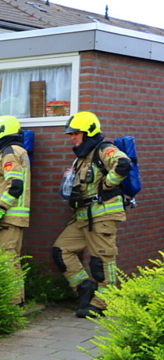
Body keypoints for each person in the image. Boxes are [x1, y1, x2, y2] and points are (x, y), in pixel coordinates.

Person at [52, 111, 132, 318]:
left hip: (102, 215)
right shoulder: (82, 157)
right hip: (83, 216)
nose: (73, 138)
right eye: (71, 134)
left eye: (76, 134)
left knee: (102, 260)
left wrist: (108, 184)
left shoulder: (104, 149)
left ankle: (104, 302)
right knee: (61, 250)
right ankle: (84, 286)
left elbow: (123, 164)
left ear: (88, 133)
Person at [0, 115, 30, 306]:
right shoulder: (10, 152)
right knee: (9, 259)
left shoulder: (9, 153)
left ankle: (13, 304)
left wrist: (0, 210)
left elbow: (15, 184)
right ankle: (15, 301)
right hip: (10, 218)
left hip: (7, 218)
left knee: (6, 260)